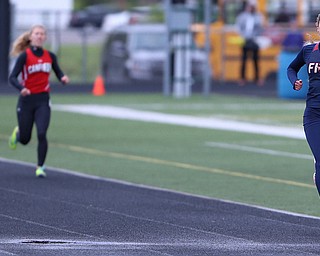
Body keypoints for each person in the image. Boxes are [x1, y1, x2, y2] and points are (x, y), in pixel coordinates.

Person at [8, 24, 69, 178]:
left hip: (43, 100)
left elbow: (58, 71)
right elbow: (12, 77)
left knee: (42, 133)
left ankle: (40, 167)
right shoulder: (25, 56)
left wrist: (63, 78)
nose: (39, 36)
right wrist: (21, 88)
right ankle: (19, 133)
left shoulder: (50, 56)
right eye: (37, 33)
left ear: (45, 37)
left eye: (42, 34)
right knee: (25, 139)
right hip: (26, 100)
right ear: (31, 37)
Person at [287, 13, 320, 196]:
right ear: (318, 27)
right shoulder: (309, 50)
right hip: (314, 115)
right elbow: (291, 68)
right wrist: (295, 81)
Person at [236, 1, 264, 86]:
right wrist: (242, 35)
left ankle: (257, 78)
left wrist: (257, 36)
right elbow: (238, 27)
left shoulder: (258, 16)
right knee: (244, 60)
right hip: (245, 40)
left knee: (256, 60)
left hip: (254, 40)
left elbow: (260, 27)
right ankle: (242, 78)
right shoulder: (242, 16)